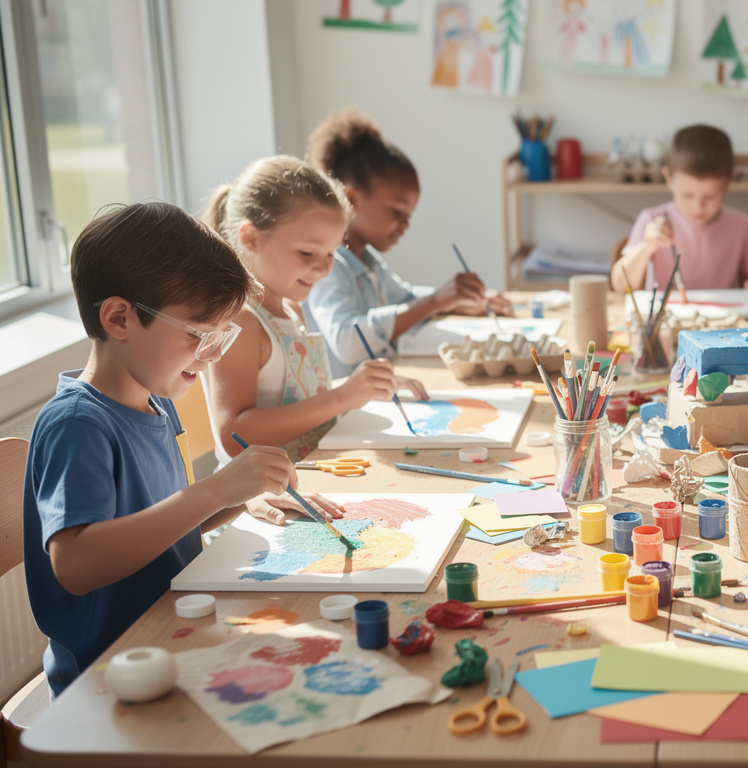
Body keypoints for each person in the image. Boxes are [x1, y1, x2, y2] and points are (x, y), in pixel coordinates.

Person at [23, 202, 338, 697]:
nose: (212, 354)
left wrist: (238, 498)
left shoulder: (156, 400)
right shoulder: (77, 424)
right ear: (120, 318)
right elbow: (77, 566)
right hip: (110, 675)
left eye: (220, 335)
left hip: (175, 629)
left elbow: (164, 527)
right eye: (198, 334)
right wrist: (214, 492)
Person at [205, 155, 424, 464]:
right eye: (307, 252)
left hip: (309, 478)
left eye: (332, 253)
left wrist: (362, 387)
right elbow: (235, 436)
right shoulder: (242, 321)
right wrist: (342, 396)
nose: (323, 268)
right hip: (263, 501)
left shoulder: (292, 308)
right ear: (251, 238)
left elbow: (297, 399)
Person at [304, 108, 511, 378]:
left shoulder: (367, 262)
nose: (406, 224)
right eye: (396, 212)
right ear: (351, 199)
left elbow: (406, 299)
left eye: (409, 215)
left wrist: (458, 301)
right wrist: (437, 301)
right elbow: (347, 342)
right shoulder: (327, 266)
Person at [611, 124, 748, 298]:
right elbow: (621, 285)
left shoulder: (742, 225)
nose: (698, 207)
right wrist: (647, 246)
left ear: (729, 181)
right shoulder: (651, 219)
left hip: (725, 322)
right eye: (687, 195)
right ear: (668, 178)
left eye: (711, 196)